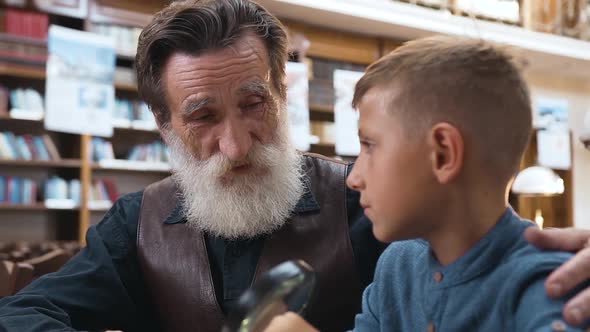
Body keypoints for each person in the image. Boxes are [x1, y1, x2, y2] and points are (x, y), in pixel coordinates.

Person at [0, 1, 589, 331]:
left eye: (254, 104)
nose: (236, 145)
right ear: (165, 126)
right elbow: (22, 317)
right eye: (203, 116)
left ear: (284, 93)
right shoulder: (138, 223)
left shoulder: (377, 209)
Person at [264, 36, 589, 331]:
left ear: (443, 154)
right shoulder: (397, 266)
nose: (354, 178)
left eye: (370, 145)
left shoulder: (549, 283)